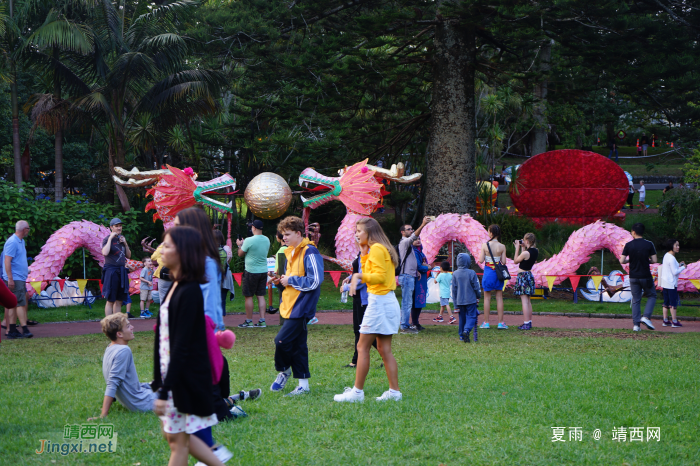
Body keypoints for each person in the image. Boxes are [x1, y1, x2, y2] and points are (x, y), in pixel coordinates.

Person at [152, 226, 226, 466]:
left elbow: (182, 346)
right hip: (172, 375)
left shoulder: (190, 290)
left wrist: (165, 389)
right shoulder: (175, 286)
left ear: (184, 252)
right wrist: (158, 380)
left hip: (182, 377)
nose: (161, 250)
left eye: (168, 245)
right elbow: (162, 340)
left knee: (176, 439)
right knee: (176, 438)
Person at [334, 218, 402, 403]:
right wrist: (363, 252)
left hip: (379, 303)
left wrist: (357, 275)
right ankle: (394, 393)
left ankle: (357, 393)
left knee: (362, 346)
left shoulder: (378, 249)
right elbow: (372, 270)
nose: (356, 234)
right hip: (385, 301)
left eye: (359, 231)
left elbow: (379, 276)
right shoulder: (376, 249)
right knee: (383, 348)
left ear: (369, 233)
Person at [269, 216, 324, 396]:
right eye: (283, 235)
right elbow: (286, 281)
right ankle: (303, 385)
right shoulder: (288, 252)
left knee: (281, 341)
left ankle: (284, 370)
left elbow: (315, 281)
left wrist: (290, 280)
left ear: (298, 234)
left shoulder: (310, 252)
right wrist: (278, 281)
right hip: (289, 306)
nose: (283, 238)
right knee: (299, 346)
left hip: (301, 308)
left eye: (287, 234)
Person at [175, 208, 225, 331]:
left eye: (177, 226)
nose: (172, 231)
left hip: (200, 336)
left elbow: (210, 310)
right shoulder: (188, 262)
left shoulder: (206, 264)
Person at [342, 244, 377, 368]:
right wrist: (349, 277)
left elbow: (364, 277)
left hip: (364, 298)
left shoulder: (370, 252)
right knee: (359, 330)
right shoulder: (361, 251)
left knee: (362, 330)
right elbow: (358, 271)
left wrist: (346, 287)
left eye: (359, 232)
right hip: (358, 298)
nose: (357, 235)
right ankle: (357, 360)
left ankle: (356, 361)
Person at [619, 223, 658, 331]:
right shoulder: (649, 244)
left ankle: (636, 325)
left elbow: (622, 260)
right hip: (645, 276)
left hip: (633, 276)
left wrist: (630, 260)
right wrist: (647, 260)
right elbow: (654, 260)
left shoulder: (629, 245)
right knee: (652, 295)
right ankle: (646, 317)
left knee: (636, 300)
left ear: (634, 232)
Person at [397, 217, 432, 334]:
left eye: (412, 229)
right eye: (408, 229)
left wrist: (415, 270)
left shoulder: (410, 246)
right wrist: (422, 224)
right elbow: (414, 237)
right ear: (402, 232)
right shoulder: (404, 242)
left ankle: (406, 324)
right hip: (406, 276)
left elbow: (411, 260)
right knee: (407, 303)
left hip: (409, 275)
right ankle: (404, 326)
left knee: (408, 302)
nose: (411, 231)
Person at [237, 219, 271, 328]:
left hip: (251, 271)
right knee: (260, 295)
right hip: (263, 271)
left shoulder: (248, 240)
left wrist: (239, 245)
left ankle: (249, 321)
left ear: (254, 228)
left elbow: (240, 254)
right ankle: (262, 320)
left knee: (249, 296)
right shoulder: (267, 239)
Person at [2, 220, 32, 339]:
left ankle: (13, 330)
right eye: (28, 228)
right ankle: (24, 329)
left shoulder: (21, 241)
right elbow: (7, 261)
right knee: (20, 303)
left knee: (14, 304)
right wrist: (10, 279)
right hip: (15, 278)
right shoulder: (13, 242)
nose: (29, 230)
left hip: (19, 277)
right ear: (24, 229)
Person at [478, 224, 507, 329]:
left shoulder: (484, 245)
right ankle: (501, 323)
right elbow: (503, 261)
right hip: (498, 273)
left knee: (487, 298)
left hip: (488, 272)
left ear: (491, 233)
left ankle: (486, 322)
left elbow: (481, 260)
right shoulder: (502, 246)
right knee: (499, 298)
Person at [101, 218, 131, 317]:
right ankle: (109, 323)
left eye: (120, 226)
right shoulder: (106, 239)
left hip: (121, 271)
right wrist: (110, 238)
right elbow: (104, 252)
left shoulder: (122, 238)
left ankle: (117, 323)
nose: (119, 228)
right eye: (116, 226)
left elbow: (128, 256)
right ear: (111, 227)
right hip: (111, 271)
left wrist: (125, 244)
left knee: (119, 300)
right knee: (110, 299)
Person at [451, 253, 481, 342]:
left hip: (460, 300)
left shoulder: (455, 274)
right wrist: (478, 295)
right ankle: (467, 330)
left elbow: (454, 290)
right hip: (471, 299)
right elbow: (476, 286)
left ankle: (461, 335)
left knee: (462, 318)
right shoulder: (472, 272)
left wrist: (455, 304)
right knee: (472, 316)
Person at [513, 233, 539, 330]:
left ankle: (526, 323)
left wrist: (517, 248)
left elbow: (516, 261)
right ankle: (529, 322)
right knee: (528, 301)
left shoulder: (525, 253)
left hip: (522, 276)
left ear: (527, 241)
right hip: (529, 275)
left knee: (524, 301)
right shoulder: (535, 251)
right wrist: (523, 248)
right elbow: (525, 261)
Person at [658, 239, 685, 328]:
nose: (678, 247)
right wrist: (683, 267)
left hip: (665, 282)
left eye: (678, 245)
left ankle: (665, 320)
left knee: (666, 302)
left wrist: (679, 265)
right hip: (671, 283)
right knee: (673, 302)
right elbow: (675, 272)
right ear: (671, 246)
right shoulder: (672, 258)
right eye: (676, 245)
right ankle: (674, 321)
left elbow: (671, 267)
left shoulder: (666, 255)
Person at [409, 236, 430, 331]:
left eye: (419, 239)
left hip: (422, 280)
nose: (418, 241)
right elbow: (418, 266)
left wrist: (427, 266)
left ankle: (416, 322)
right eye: (415, 239)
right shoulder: (413, 252)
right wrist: (427, 267)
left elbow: (426, 264)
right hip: (417, 279)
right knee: (416, 301)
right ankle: (414, 322)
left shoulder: (421, 252)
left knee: (420, 301)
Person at [213, 230, 234, 317]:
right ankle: (223, 313)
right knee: (223, 297)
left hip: (214, 275)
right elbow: (228, 261)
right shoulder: (227, 249)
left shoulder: (209, 249)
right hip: (225, 275)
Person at [274, 231, 288, 325]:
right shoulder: (290, 249)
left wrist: (274, 275)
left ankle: (284, 320)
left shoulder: (282, 250)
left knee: (283, 301)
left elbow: (277, 269)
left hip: (282, 278)